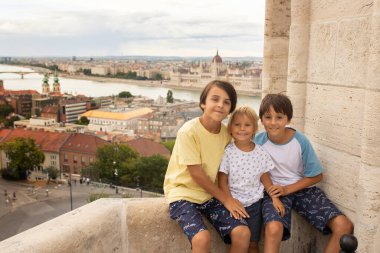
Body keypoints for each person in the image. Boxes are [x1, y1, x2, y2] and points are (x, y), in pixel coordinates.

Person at [254, 94, 354, 253]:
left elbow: (316, 175)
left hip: (301, 190)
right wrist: (275, 192)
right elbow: (256, 170)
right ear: (261, 120)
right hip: (272, 191)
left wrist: (288, 189)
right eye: (268, 117)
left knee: (344, 225)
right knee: (273, 228)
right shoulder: (257, 142)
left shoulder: (300, 141)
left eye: (279, 117)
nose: (273, 122)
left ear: (288, 119)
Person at [164, 80, 251, 253]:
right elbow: (196, 173)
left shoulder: (227, 134)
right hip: (183, 194)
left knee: (242, 232)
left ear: (230, 109)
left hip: (210, 194)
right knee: (202, 238)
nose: (220, 105)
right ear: (203, 103)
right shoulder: (188, 131)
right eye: (215, 99)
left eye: (226, 102)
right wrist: (226, 199)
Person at [218, 106, 285, 253]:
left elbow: (264, 177)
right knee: (239, 241)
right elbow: (222, 181)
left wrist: (275, 198)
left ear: (254, 128)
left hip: (255, 205)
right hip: (235, 204)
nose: (242, 129)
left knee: (253, 244)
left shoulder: (260, 152)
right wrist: (229, 201)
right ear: (230, 128)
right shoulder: (228, 152)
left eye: (247, 125)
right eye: (237, 124)